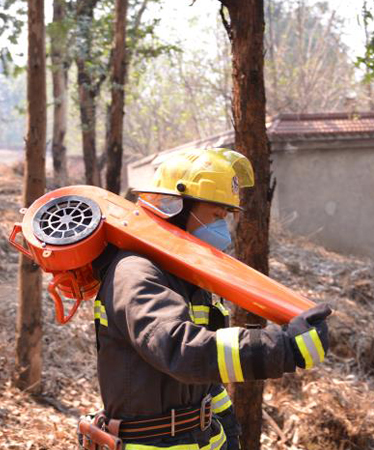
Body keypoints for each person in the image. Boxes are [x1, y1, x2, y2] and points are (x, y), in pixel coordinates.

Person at [89, 147, 332, 450]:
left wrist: (224, 420)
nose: (223, 228)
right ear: (175, 206)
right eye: (216, 215)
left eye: (226, 216)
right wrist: (283, 346)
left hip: (197, 436)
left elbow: (206, 371)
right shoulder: (136, 272)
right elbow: (181, 349)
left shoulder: (183, 276)